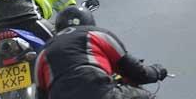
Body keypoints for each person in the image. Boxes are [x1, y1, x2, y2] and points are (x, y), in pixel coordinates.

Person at [35, 6, 168, 99]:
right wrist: (156, 71)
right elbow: (137, 73)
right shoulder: (97, 35)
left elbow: (41, 95)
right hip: (99, 92)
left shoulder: (43, 52)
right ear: (90, 22)